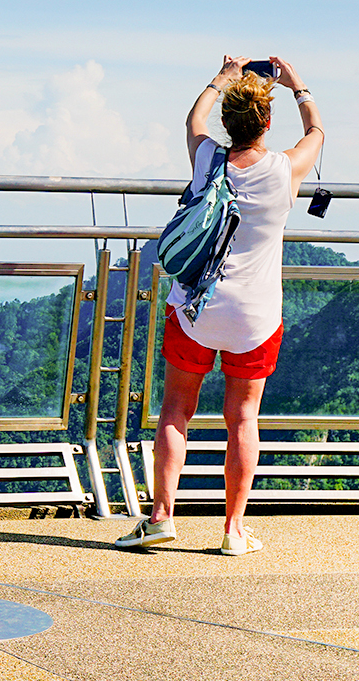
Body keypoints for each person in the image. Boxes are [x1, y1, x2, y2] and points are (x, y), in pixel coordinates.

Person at [115, 55, 323, 556]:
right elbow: (317, 132)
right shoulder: (284, 169)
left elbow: (192, 121)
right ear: (267, 123)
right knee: (243, 419)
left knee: (176, 411)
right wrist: (296, 85)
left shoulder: (207, 158)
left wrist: (222, 77)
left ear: (228, 124)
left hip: (195, 309)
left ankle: (161, 517)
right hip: (255, 317)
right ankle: (232, 530)